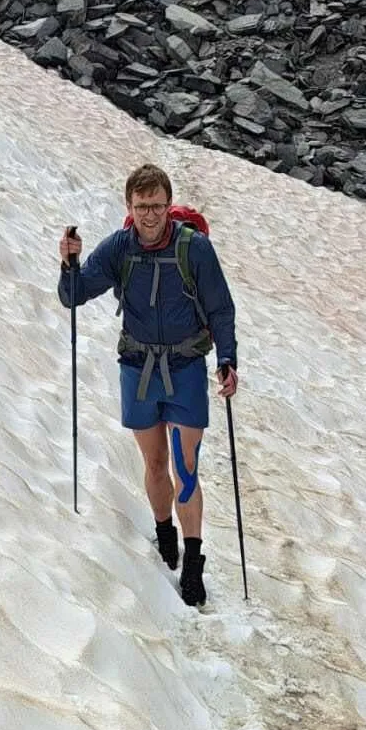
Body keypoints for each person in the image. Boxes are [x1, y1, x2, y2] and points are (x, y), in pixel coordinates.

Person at [58, 163, 238, 607]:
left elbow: (220, 309)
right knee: (155, 464)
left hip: (186, 369)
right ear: (129, 207)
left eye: (157, 206)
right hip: (137, 368)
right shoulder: (120, 248)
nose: (150, 215)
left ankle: (193, 563)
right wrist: (68, 263)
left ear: (168, 206)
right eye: (142, 207)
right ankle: (165, 537)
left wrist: (228, 360)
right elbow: (75, 295)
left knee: (185, 465)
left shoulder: (194, 250)